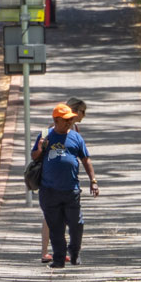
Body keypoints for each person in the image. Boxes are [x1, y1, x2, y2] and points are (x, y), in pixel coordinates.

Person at [33, 102, 98, 269]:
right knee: (55, 226)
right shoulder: (46, 134)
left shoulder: (76, 136)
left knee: (77, 224)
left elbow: (86, 159)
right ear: (56, 120)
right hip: (49, 190)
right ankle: (59, 259)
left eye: (71, 119)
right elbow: (34, 156)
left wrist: (93, 181)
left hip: (71, 189)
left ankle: (74, 252)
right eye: (66, 120)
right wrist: (40, 148)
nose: (69, 122)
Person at [41, 98, 87, 263]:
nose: (83, 115)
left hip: (68, 185)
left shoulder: (74, 130)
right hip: (51, 185)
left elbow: (81, 154)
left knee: (71, 221)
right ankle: (47, 252)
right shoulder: (52, 128)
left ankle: (65, 252)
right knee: (52, 220)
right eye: (83, 111)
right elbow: (41, 152)